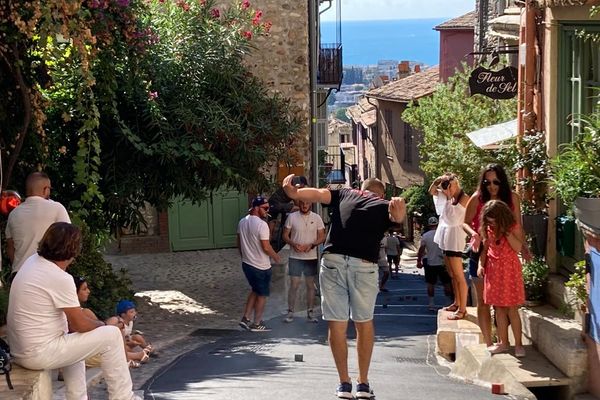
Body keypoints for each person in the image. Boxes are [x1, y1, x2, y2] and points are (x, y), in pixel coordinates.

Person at [282, 174, 406, 400]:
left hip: (333, 262)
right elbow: (396, 217)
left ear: (361, 188)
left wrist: (294, 193)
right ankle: (363, 384)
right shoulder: (382, 203)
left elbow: (318, 194)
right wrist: (398, 211)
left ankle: (343, 384)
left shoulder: (346, 193)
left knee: (337, 325)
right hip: (363, 265)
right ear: (381, 193)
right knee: (363, 324)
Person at [7, 222, 141, 400]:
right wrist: (104, 324)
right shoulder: (59, 277)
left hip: (21, 350)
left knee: (75, 345)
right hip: (38, 353)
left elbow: (76, 327)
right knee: (111, 335)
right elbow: (80, 324)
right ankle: (124, 397)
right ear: (73, 251)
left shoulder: (32, 262)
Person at [463, 163, 522, 347]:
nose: (492, 186)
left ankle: (504, 341)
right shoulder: (477, 198)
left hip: (505, 255)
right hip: (480, 253)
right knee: (483, 301)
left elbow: (519, 226)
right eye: (487, 182)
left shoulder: (512, 198)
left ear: (502, 181)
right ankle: (489, 341)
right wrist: (473, 234)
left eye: (495, 181)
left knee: (504, 303)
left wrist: (523, 249)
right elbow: (464, 222)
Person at [477, 200, 526, 358]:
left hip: (509, 271)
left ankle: (519, 344)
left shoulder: (513, 227)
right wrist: (480, 265)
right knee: (498, 309)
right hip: (494, 272)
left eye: (494, 219)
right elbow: (485, 249)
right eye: (489, 219)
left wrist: (505, 232)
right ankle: (504, 343)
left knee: (512, 309)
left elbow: (517, 248)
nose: (491, 222)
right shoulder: (488, 229)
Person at [5, 172, 70, 278]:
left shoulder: (14, 214)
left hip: (19, 274)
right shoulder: (57, 208)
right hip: (46, 273)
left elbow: (10, 247)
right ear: (45, 189)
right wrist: (61, 269)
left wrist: (17, 267)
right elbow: (70, 240)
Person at [73, 277, 148, 368]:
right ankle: (132, 357)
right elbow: (101, 331)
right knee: (117, 333)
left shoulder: (79, 312)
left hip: (84, 349)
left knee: (125, 338)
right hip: (84, 352)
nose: (88, 291)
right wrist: (117, 326)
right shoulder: (84, 312)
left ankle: (134, 356)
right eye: (84, 289)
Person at [238, 196, 282, 332]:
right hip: (261, 266)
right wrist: (276, 257)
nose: (267, 210)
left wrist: (244, 256)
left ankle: (246, 318)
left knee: (255, 290)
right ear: (256, 208)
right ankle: (257, 323)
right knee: (262, 294)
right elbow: (266, 247)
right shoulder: (262, 225)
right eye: (265, 208)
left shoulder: (242, 222)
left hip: (247, 264)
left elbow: (238, 243)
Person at [429, 173, 469, 320]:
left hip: (455, 237)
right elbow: (432, 191)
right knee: (452, 274)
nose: (445, 189)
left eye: (448, 186)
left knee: (459, 275)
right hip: (446, 236)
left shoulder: (465, 198)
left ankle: (462, 308)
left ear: (455, 183)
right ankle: (457, 302)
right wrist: (438, 180)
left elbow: (473, 214)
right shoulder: (448, 197)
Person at [282, 199, 326, 323]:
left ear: (310, 204)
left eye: (307, 203)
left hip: (310, 257)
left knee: (310, 285)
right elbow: (285, 235)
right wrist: (293, 244)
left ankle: (310, 313)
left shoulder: (317, 218)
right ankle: (290, 312)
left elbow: (322, 236)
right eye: (302, 203)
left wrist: (312, 245)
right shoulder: (292, 217)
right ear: (299, 204)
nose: (305, 206)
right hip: (295, 256)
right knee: (294, 285)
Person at [417, 217, 453, 311]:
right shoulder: (443, 234)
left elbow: (421, 249)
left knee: (430, 283)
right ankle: (448, 302)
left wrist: (419, 260)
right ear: (438, 224)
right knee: (446, 283)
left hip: (430, 262)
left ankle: (431, 303)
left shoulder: (425, 235)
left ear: (429, 225)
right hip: (442, 262)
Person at [106, 300, 153, 366]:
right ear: (123, 314)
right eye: (131, 312)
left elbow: (126, 336)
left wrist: (131, 341)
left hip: (124, 342)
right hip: (115, 345)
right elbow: (108, 333)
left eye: (134, 311)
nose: (134, 313)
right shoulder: (116, 320)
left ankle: (147, 350)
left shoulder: (130, 322)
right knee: (126, 349)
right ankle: (137, 355)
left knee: (137, 337)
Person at [268, 175, 308, 249]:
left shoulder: (290, 183)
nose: (303, 187)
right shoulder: (294, 187)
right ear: (301, 184)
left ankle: (269, 238)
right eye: (303, 185)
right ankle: (285, 230)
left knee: (272, 220)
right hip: (279, 204)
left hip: (272, 202)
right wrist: (304, 207)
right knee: (299, 208)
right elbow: (296, 202)